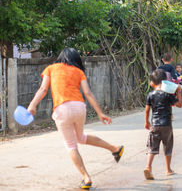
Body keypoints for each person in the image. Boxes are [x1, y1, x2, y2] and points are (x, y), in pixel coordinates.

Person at [27, 48, 124, 190]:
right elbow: (88, 93)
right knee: (80, 137)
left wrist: (32, 105)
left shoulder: (51, 68)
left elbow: (43, 89)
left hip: (62, 108)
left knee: (71, 145)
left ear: (61, 57)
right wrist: (100, 113)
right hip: (79, 107)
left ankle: (86, 178)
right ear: (75, 59)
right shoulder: (79, 72)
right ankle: (114, 148)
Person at [144, 69, 182, 180]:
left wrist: (147, 122)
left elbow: (147, 110)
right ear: (166, 81)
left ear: (152, 83)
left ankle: (148, 167)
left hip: (155, 125)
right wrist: (179, 91)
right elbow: (180, 105)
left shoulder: (150, 95)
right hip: (166, 124)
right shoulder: (168, 95)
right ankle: (168, 169)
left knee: (152, 147)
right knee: (168, 147)